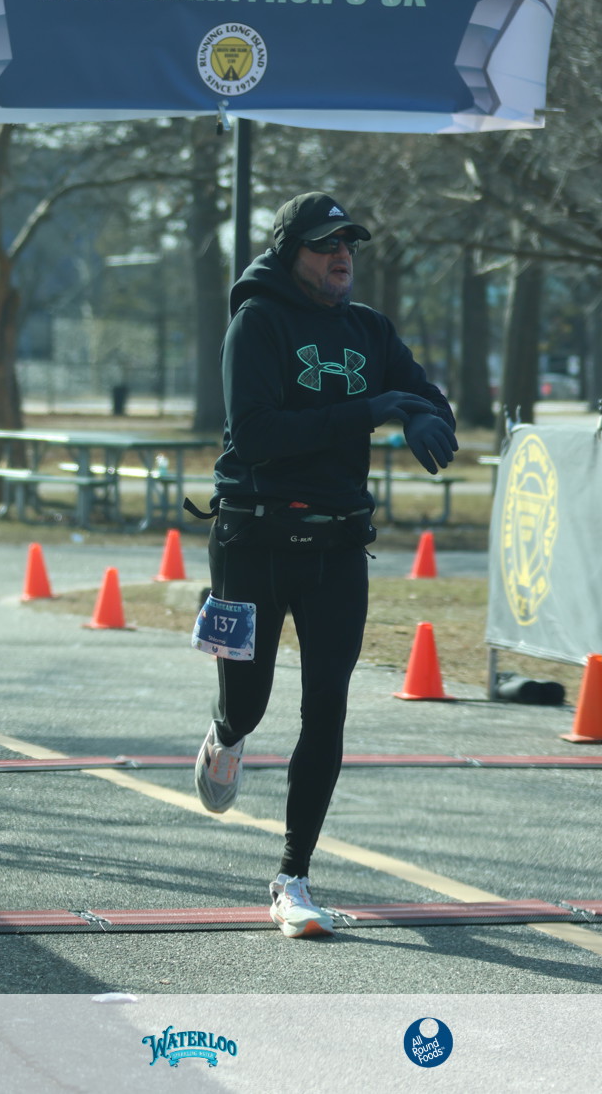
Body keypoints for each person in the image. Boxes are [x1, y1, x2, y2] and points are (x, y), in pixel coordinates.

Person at [193, 191, 458, 938]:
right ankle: (226, 734)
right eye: (326, 244)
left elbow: (424, 396)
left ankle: (293, 877)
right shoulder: (257, 323)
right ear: (290, 254)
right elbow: (257, 435)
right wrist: (373, 410)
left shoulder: (369, 329)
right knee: (249, 704)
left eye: (349, 244)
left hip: (338, 544)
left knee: (327, 708)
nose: (342, 256)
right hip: (253, 540)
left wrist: (423, 413)